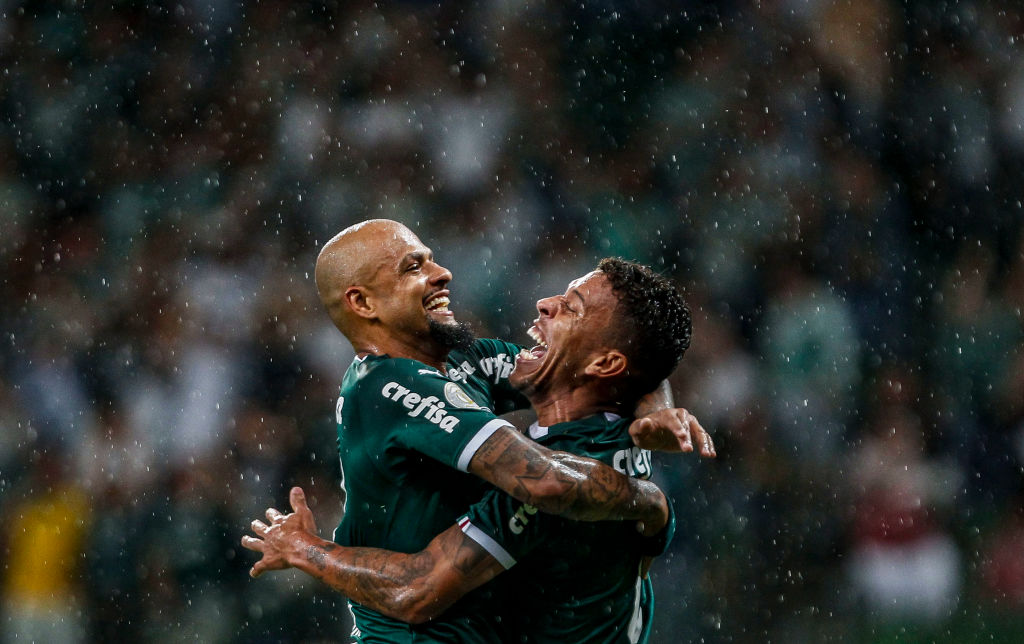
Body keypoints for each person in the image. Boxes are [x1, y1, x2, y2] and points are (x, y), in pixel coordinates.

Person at [243, 220, 713, 640]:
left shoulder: (465, 363)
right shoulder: (394, 386)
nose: (442, 273)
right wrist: (651, 499)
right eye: (413, 268)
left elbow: (628, 358)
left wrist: (656, 406)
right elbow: (555, 462)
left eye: (431, 258)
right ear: (363, 303)